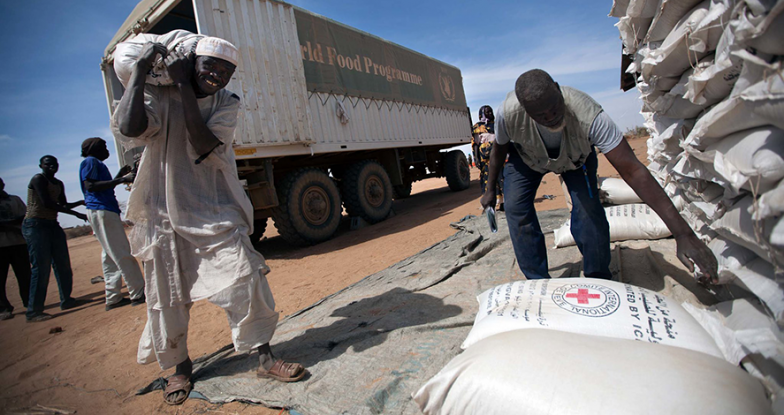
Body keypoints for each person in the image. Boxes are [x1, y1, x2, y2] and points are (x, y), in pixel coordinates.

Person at [112, 35, 305, 405]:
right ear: (191, 62)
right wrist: (139, 72)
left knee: (246, 274)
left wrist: (183, 85)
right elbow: (130, 128)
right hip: (162, 211)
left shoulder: (226, 102)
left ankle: (265, 357)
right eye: (210, 66)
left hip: (213, 206)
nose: (218, 75)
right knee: (167, 293)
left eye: (226, 71)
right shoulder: (157, 94)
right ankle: (180, 367)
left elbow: (202, 145)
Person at [480, 69, 718, 282]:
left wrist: (683, 234)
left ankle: (598, 278)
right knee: (515, 208)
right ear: (526, 112)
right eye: (541, 115)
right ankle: (538, 281)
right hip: (528, 159)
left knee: (587, 211)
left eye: (555, 107)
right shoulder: (508, 114)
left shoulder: (588, 113)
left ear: (557, 88)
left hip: (575, 160)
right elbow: (499, 150)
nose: (551, 117)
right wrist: (490, 190)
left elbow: (633, 170)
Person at [79, 137, 145, 311]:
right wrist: (122, 180)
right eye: (104, 146)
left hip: (100, 210)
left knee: (109, 256)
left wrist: (118, 177)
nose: (107, 150)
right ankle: (138, 292)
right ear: (94, 148)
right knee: (122, 252)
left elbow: (102, 187)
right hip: (102, 210)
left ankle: (113, 296)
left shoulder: (95, 164)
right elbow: (90, 186)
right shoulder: (91, 162)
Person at [23, 155, 88, 322]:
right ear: (41, 166)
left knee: (63, 264)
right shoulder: (38, 179)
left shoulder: (58, 183)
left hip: (52, 224)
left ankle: (67, 300)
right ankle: (33, 311)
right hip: (36, 225)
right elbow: (47, 203)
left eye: (55, 163)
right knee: (41, 268)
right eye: (48, 164)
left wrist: (80, 202)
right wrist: (76, 214)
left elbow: (63, 204)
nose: (52, 166)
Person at [0, 178, 30, 320]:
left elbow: (26, 216)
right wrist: (13, 225)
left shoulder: (14, 200)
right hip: (1, 245)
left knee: (25, 274)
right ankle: (3, 308)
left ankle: (29, 302)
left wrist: (8, 225)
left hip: (18, 242)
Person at [473, 105, 504, 210]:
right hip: (485, 159)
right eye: (487, 112)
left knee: (501, 177)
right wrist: (476, 158)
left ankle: (503, 201)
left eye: (491, 111)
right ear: (482, 114)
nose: (490, 114)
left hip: (499, 155)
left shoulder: (497, 125)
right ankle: (492, 202)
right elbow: (475, 144)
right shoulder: (478, 127)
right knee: (489, 179)